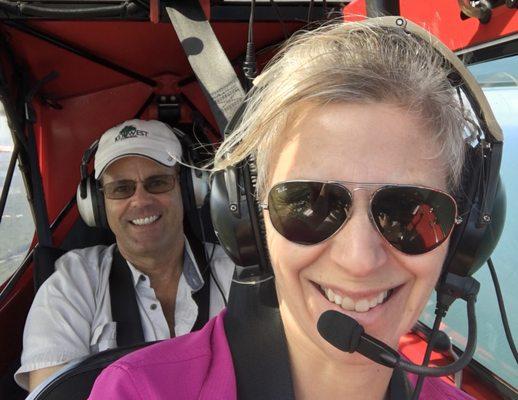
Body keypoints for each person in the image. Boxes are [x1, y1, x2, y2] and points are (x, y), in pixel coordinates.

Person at [88, 18, 487, 400]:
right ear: (250, 223)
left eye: (406, 211)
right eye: (310, 205)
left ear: (464, 233)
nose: (360, 260)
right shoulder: (137, 392)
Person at [14, 119, 235, 392]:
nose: (141, 201)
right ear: (96, 204)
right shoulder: (72, 286)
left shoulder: (236, 274)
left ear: (190, 189)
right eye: (121, 188)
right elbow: (54, 393)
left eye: (157, 182)